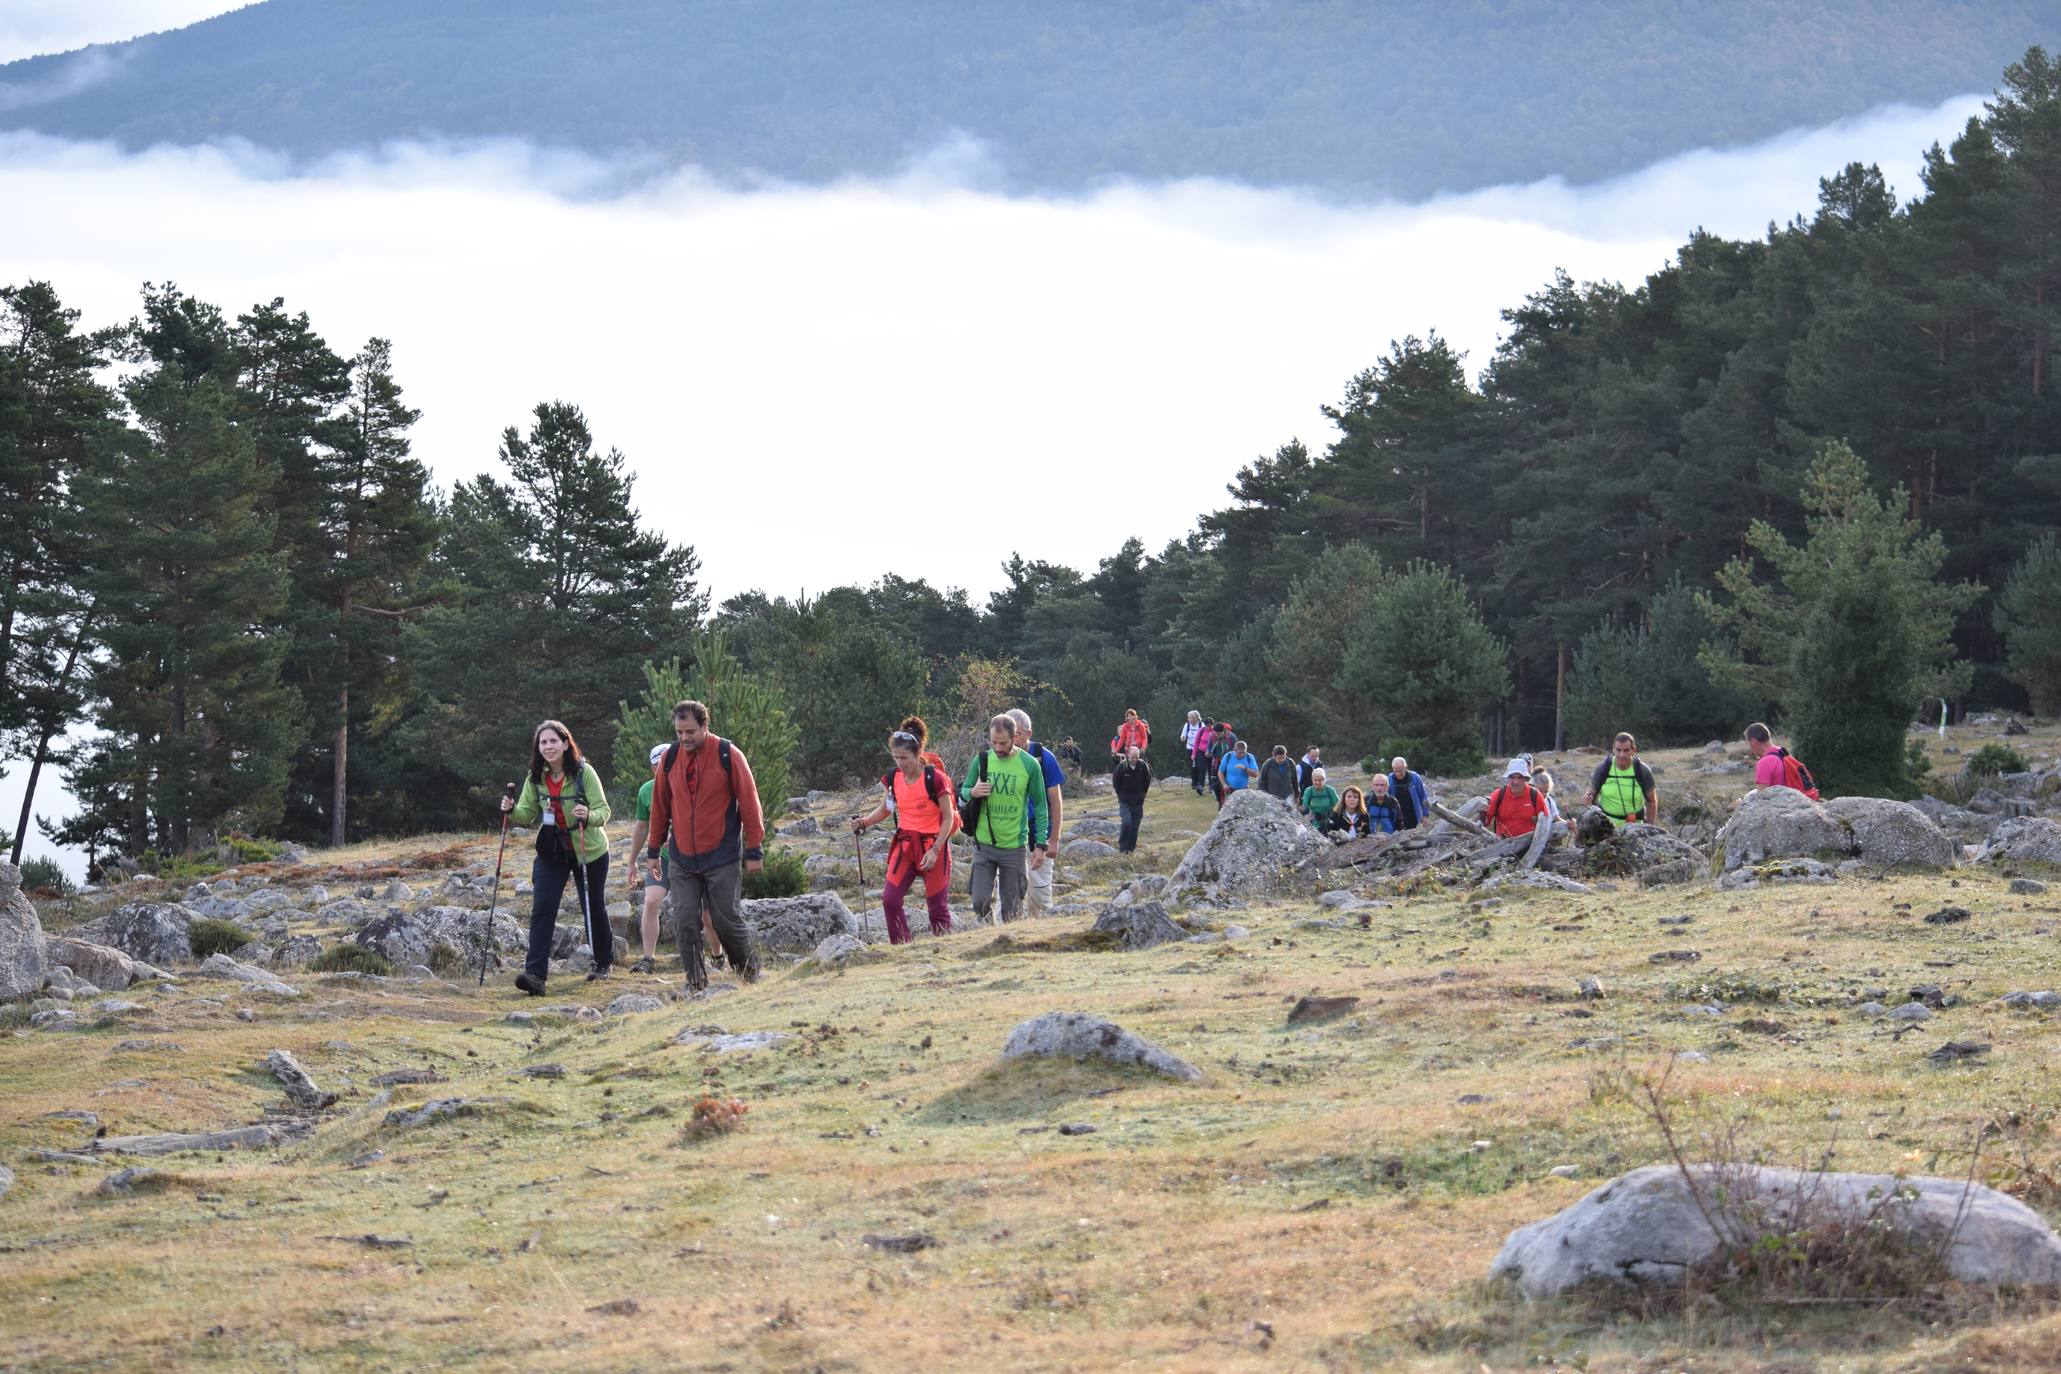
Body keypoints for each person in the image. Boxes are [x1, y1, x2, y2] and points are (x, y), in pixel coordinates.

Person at [644, 699, 766, 991]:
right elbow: (659, 808)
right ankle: (695, 983)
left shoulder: (729, 754)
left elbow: (750, 803)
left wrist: (754, 848)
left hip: (722, 856)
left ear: (704, 726)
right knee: (684, 919)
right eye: (679, 732)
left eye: (690, 732)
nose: (684, 738)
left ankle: (748, 975)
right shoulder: (670, 760)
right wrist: (652, 850)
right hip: (682, 858)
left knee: (725, 921)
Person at [503, 719, 614, 995]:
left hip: (590, 851)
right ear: (538, 748)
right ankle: (535, 975)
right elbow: (527, 814)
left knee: (592, 906)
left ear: (566, 744)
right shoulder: (535, 777)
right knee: (543, 908)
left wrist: (588, 816)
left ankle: (603, 962)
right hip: (552, 850)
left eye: (553, 741)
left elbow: (604, 810)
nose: (548, 746)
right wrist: (510, 809)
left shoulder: (584, 773)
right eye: (543, 742)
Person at [851, 729, 959, 944]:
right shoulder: (893, 778)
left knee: (937, 908)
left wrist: (935, 849)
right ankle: (901, 948)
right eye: (896, 757)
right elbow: (885, 810)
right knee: (890, 900)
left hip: (932, 845)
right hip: (905, 846)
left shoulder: (935, 779)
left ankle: (945, 951)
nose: (900, 762)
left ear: (918, 754)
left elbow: (948, 818)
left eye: (904, 758)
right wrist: (864, 822)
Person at [625, 741, 723, 976]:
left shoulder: (694, 783)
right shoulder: (646, 791)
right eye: (659, 765)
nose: (665, 769)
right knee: (650, 901)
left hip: (699, 857)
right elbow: (642, 826)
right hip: (663, 858)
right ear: (652, 769)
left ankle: (718, 957)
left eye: (669, 763)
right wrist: (632, 861)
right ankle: (648, 958)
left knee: (707, 916)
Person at [958, 713, 1050, 923]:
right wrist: (973, 792)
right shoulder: (981, 761)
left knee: (1012, 912)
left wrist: (1041, 844)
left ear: (1015, 737)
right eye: (994, 742)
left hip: (1014, 847)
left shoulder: (1029, 765)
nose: (998, 748)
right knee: (979, 902)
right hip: (984, 845)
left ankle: (1008, 946)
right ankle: (990, 927)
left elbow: (1041, 806)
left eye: (1004, 743)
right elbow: (962, 792)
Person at [1006, 709, 1066, 918]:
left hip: (1038, 833)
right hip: (1008, 834)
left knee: (1039, 895)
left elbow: (1055, 802)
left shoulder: (1044, 758)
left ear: (1029, 734)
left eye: (1017, 734)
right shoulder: (997, 758)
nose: (1013, 739)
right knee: (1008, 891)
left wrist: (1054, 839)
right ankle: (1006, 935)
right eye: (1009, 732)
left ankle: (1040, 932)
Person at [1580, 732, 1656, 827]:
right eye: (1618, 750)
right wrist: (1587, 799)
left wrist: (1650, 828)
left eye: (1626, 750)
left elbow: (1652, 802)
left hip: (1635, 827)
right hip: (1606, 828)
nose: (1621, 755)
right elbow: (1590, 795)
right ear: (1613, 749)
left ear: (1633, 750)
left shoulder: (1642, 770)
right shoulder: (1603, 768)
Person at [1745, 722, 1821, 799]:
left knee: (1748, 797)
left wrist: (1741, 804)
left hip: (1787, 804)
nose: (1749, 748)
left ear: (1754, 741)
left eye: (1748, 743)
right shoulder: (1782, 752)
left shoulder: (1764, 763)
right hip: (1804, 798)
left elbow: (1762, 797)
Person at [1482, 758, 1553, 840]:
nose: (1516, 782)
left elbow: (1545, 823)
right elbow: (1485, 822)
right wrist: (1482, 813)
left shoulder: (1535, 795)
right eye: (1512, 777)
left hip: (1529, 845)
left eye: (1519, 778)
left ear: (1525, 779)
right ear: (1508, 778)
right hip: (1503, 846)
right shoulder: (1498, 794)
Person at [1112, 743, 1152, 853]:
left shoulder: (1143, 766)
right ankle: (1122, 848)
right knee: (1126, 823)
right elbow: (1116, 783)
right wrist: (1121, 796)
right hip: (1125, 802)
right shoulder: (1121, 767)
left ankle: (1131, 849)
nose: (1134, 759)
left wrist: (1142, 795)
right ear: (1127, 755)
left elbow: (1147, 781)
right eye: (1132, 757)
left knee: (1135, 827)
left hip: (1138, 802)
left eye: (1137, 757)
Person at [1387, 756, 1432, 830]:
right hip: (1396, 817)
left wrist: (1425, 815)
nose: (1398, 774)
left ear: (1405, 767)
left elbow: (1423, 797)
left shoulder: (1415, 778)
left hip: (1413, 815)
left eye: (1400, 771)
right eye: (1395, 771)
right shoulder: (1389, 779)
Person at [1208, 722, 1240, 807]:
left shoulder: (1231, 737)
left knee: (1226, 785)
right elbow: (1209, 747)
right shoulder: (1212, 735)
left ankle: (1226, 805)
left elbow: (1238, 749)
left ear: (1224, 731)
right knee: (1215, 785)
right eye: (1216, 733)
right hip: (1216, 763)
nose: (1217, 735)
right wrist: (1208, 752)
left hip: (1229, 764)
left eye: (1219, 733)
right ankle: (1220, 802)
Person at [1179, 711, 1206, 792]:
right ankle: (1194, 783)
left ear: (1195, 718)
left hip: (1200, 749)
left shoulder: (1202, 725)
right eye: (1188, 717)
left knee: (1200, 766)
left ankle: (1200, 783)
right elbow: (1183, 735)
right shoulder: (1187, 725)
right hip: (1190, 748)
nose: (1188, 719)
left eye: (1190, 717)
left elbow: (1205, 737)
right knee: (1192, 766)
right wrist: (1183, 737)